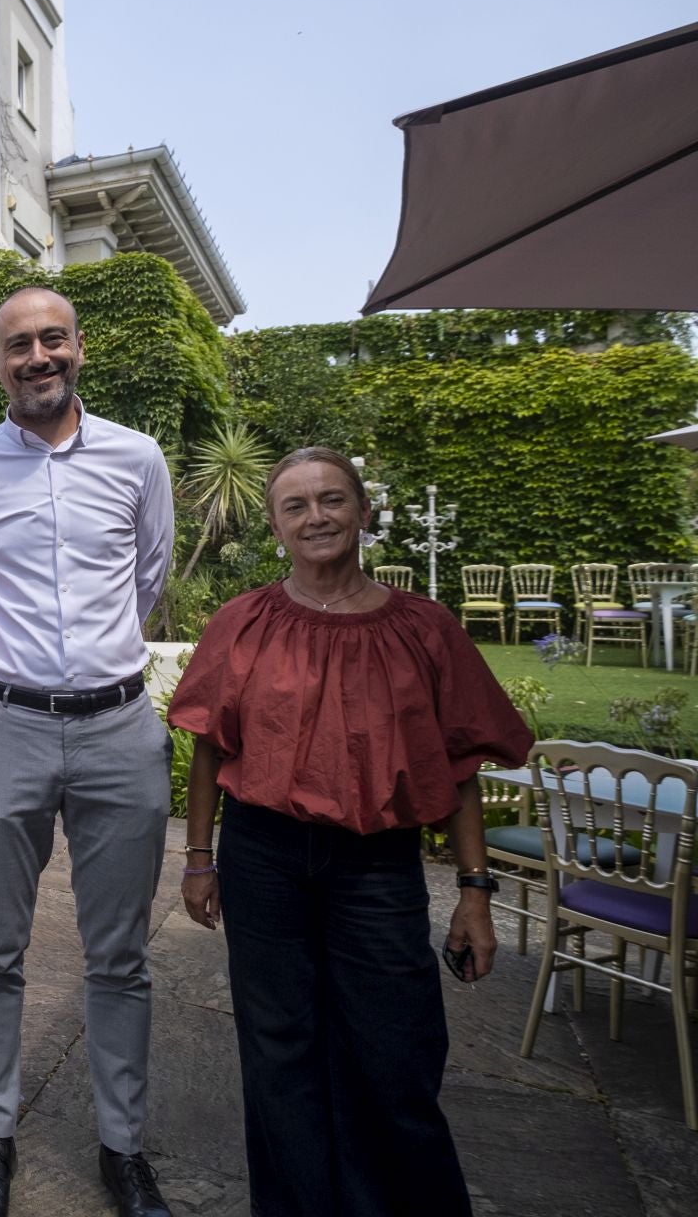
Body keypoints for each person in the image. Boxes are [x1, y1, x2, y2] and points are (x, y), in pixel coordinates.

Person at [167, 447, 530, 1217]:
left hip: (377, 868)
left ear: (364, 512)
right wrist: (199, 859)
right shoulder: (244, 623)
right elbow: (209, 743)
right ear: (275, 525)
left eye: (332, 499)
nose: (316, 517)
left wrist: (475, 891)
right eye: (295, 505)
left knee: (394, 1052)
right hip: (263, 856)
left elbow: (461, 762)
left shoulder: (423, 630)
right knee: (279, 1052)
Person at [0, 286, 176, 1217]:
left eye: (52, 339)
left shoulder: (137, 458)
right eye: (18, 345)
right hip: (8, 727)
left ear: (78, 348)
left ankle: (124, 1147)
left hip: (119, 729)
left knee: (120, 956)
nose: (38, 356)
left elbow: (149, 578)